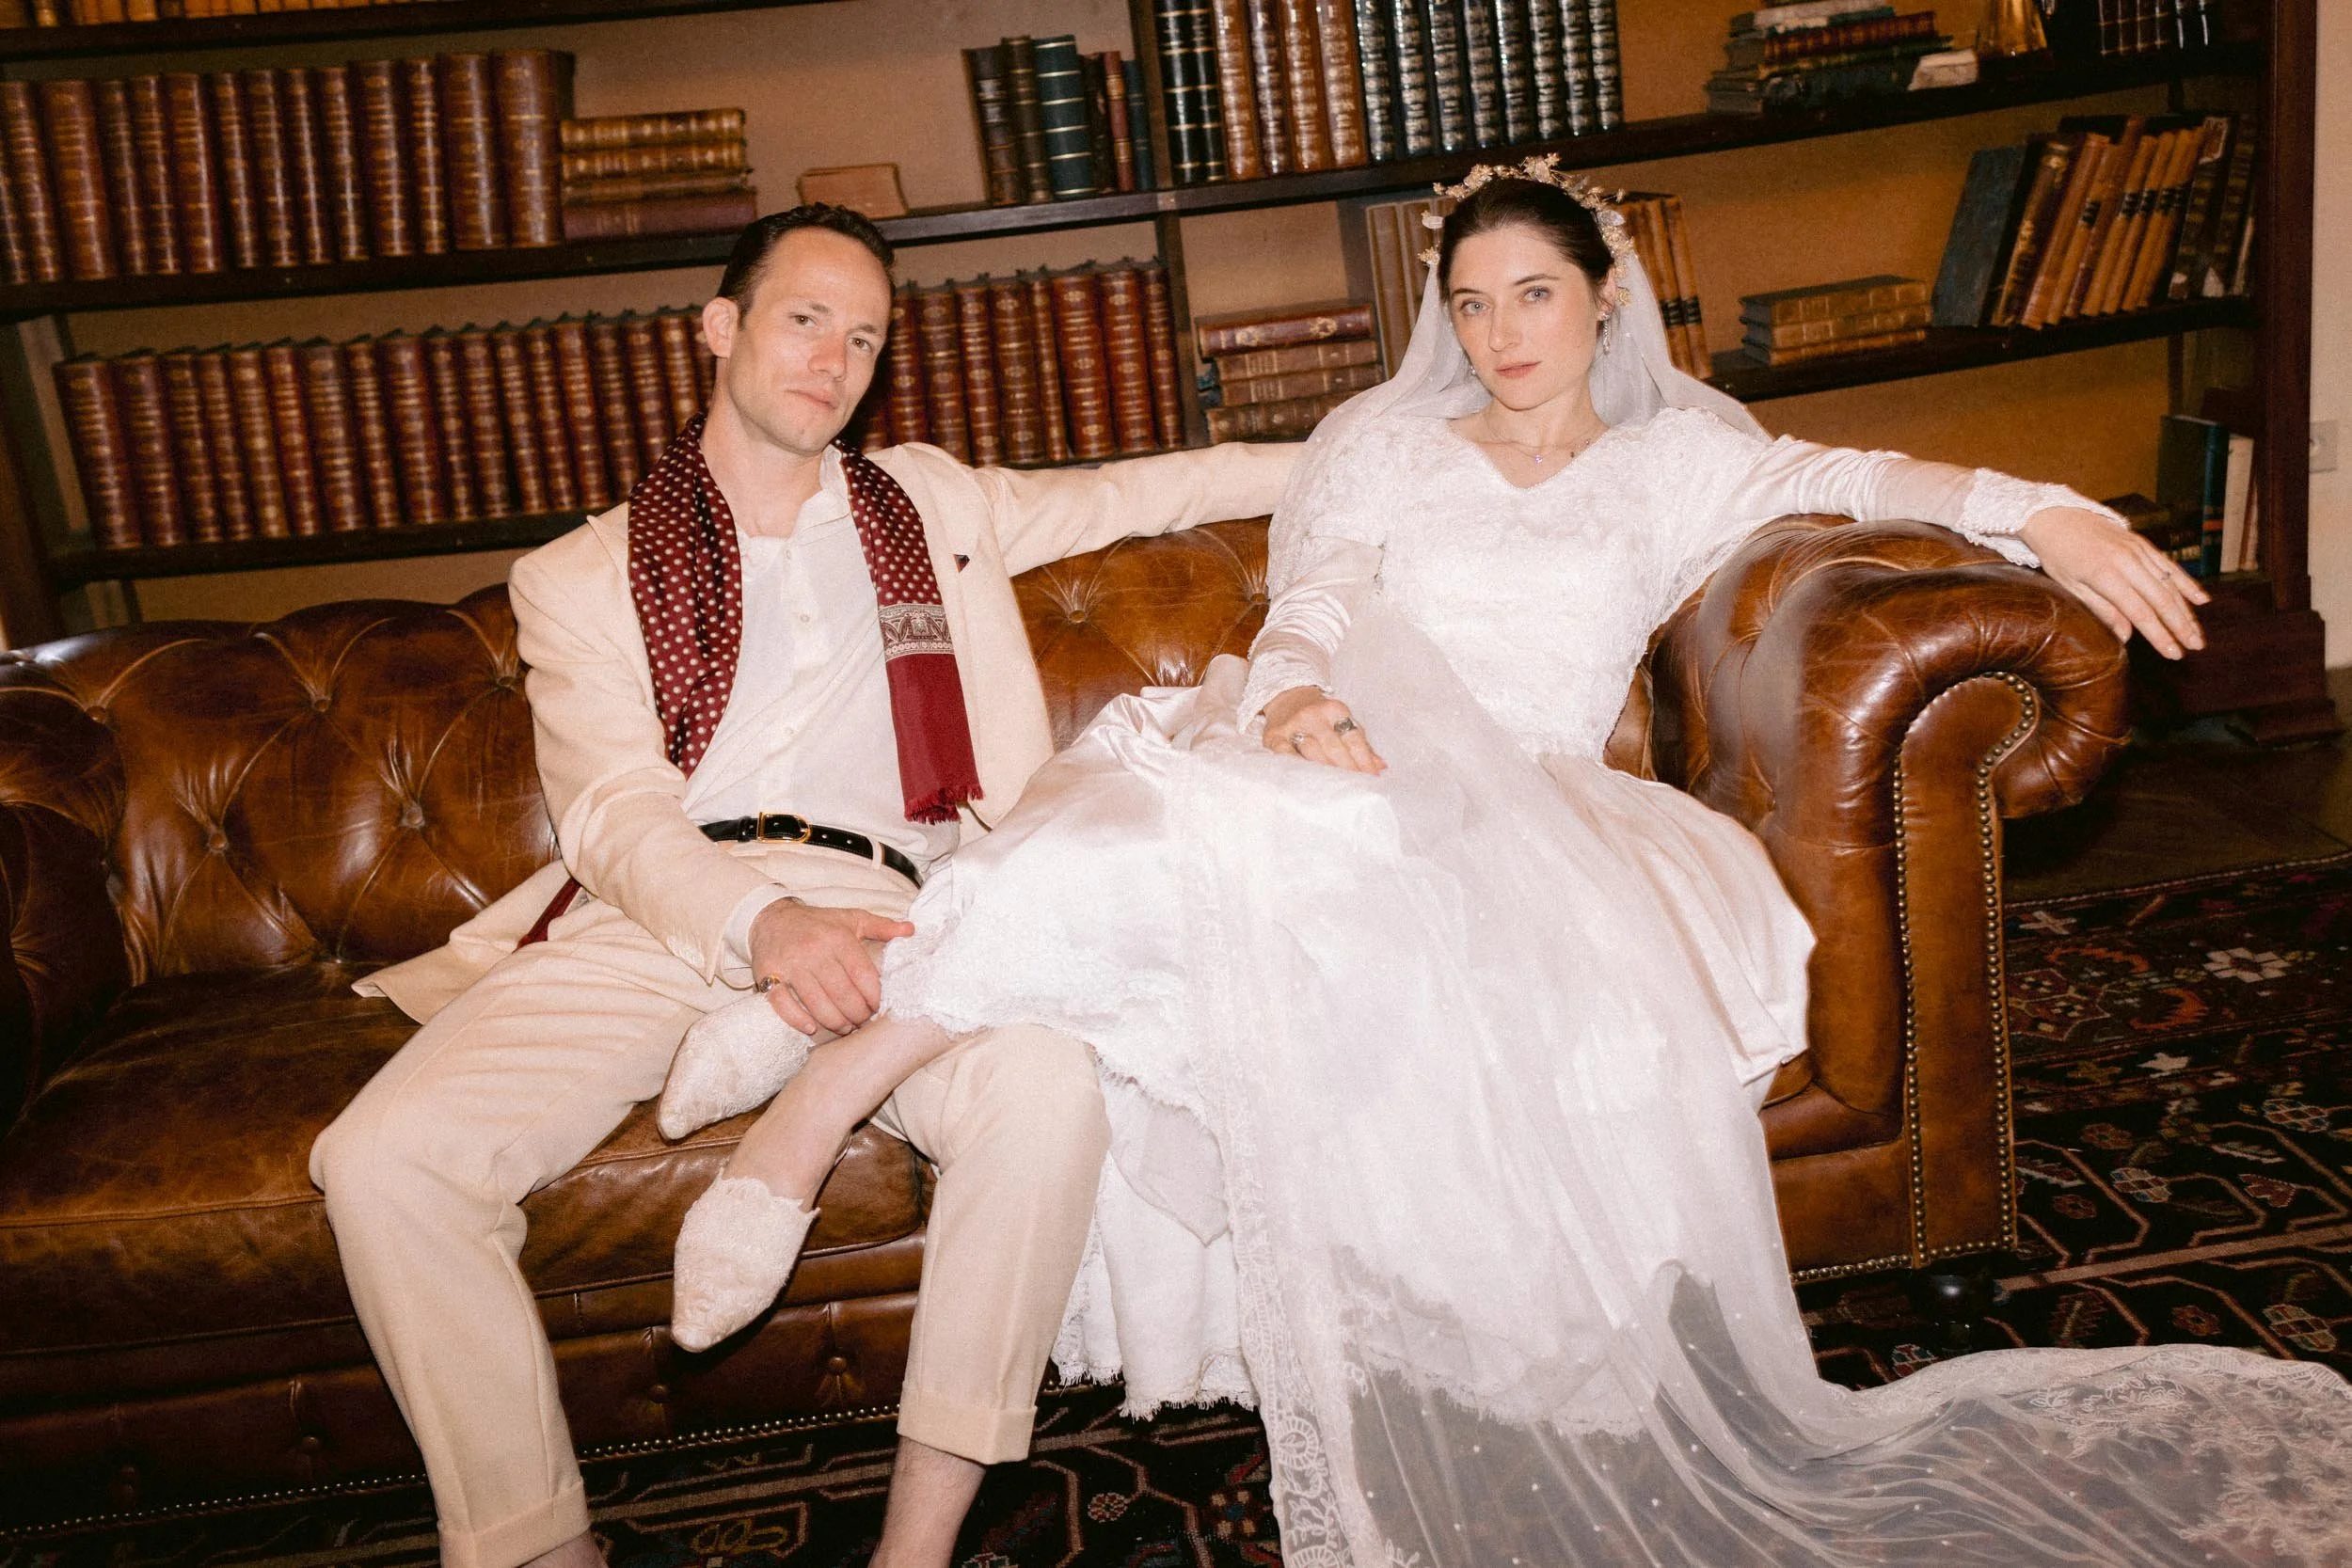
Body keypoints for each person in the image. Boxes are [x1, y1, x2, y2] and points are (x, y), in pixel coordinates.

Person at [659, 162, 2352, 1564]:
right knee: (1189, 797)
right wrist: (1308, 691)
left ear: (1603, 294)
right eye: (1469, 304)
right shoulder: (1386, 447)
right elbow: (1309, 589)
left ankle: (838, 1038)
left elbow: (1850, 471)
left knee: (1206, 829)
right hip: (1349, 742)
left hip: (1537, 805)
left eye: (1531, 294)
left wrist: (2042, 506)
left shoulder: (1679, 465)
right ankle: (835, 1071)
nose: (1498, 332)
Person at [306, 203, 1296, 1568]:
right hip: (669, 913)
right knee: (382, 1160)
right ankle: (537, 1545)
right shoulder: (581, 574)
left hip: (910, 910)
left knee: (1045, 1091)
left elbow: (1152, 485)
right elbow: (612, 812)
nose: (834, 356)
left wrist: (1370, 456)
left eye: (865, 335)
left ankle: (917, 1542)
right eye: (803, 318)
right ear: (719, 329)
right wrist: (762, 924)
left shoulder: (930, 507)